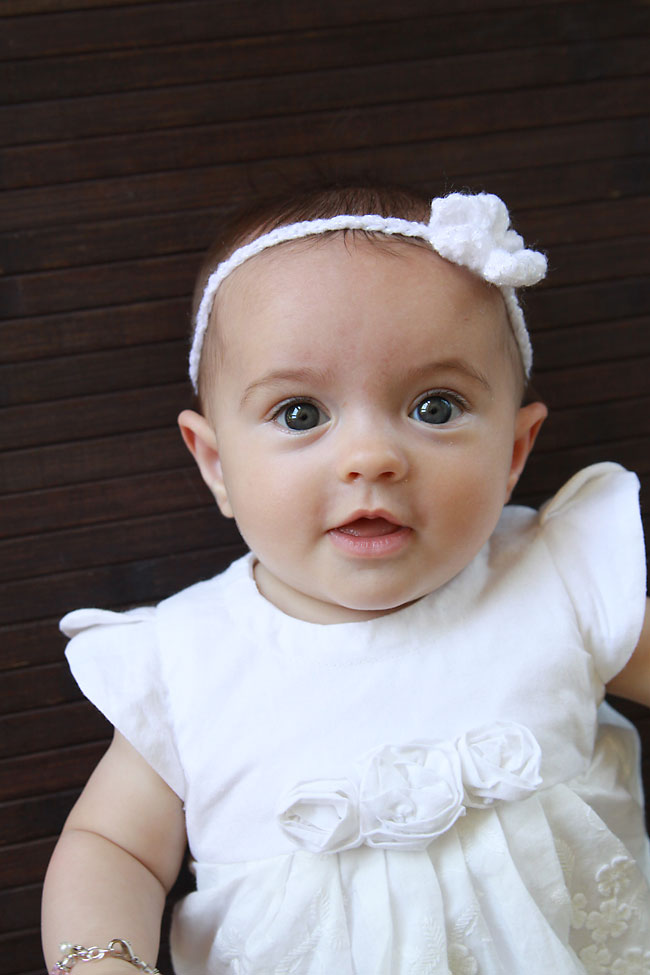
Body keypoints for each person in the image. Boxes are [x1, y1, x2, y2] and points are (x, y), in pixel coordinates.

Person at [42, 184, 650, 975]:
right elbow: (111, 845)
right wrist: (101, 960)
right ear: (217, 464)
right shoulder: (189, 662)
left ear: (512, 453)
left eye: (435, 406)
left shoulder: (559, 580)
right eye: (300, 414)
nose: (371, 456)